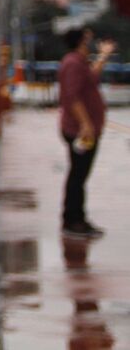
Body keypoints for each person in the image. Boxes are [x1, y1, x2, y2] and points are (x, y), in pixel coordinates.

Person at [57, 27, 116, 239]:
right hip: (79, 130)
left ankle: (76, 218)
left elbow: (92, 77)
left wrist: (104, 55)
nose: (91, 43)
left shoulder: (78, 62)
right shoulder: (73, 63)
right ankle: (73, 221)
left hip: (83, 129)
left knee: (79, 175)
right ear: (81, 41)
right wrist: (86, 124)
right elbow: (72, 98)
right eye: (88, 39)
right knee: (78, 176)